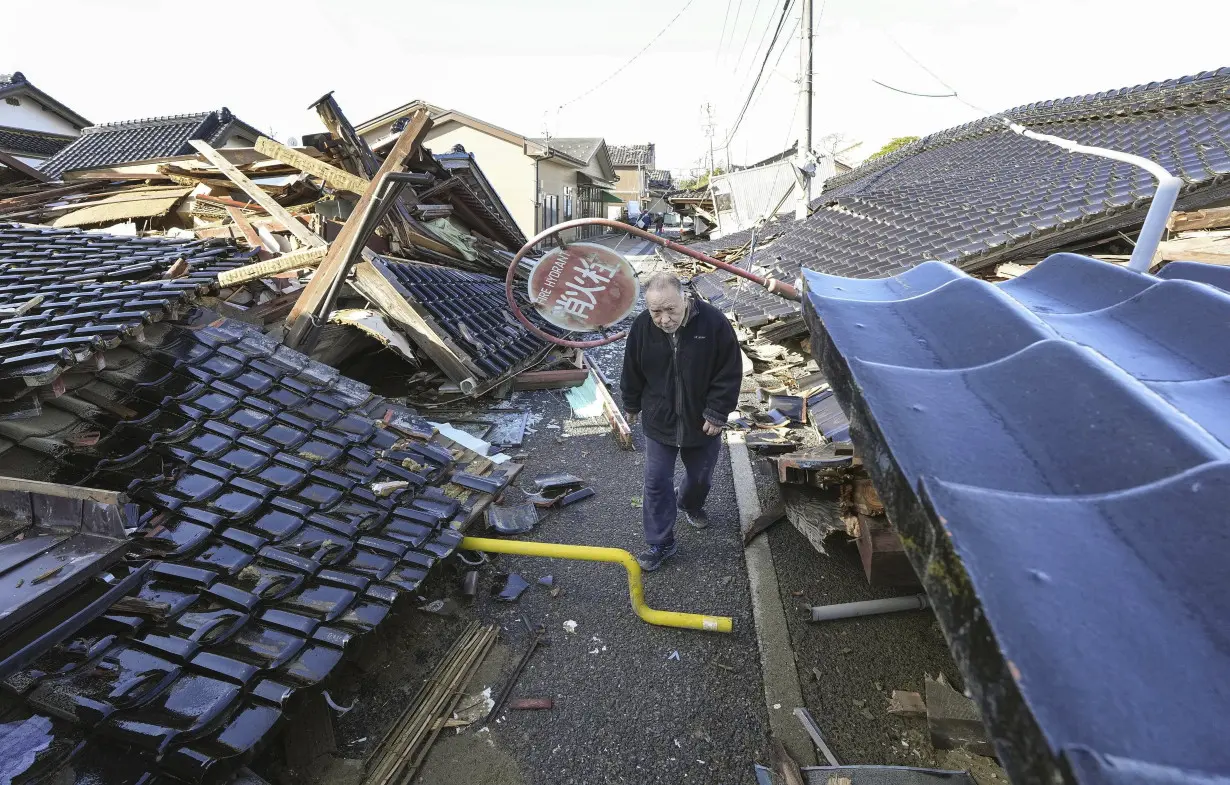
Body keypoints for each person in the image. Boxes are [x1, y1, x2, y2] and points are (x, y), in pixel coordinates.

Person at [620, 272, 742, 571]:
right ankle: (661, 541)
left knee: (700, 478)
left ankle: (690, 503)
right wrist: (631, 403)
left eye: (670, 310)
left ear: (685, 298)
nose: (663, 319)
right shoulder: (641, 327)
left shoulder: (713, 323)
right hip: (659, 419)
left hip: (701, 420)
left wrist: (717, 411)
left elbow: (729, 371)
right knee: (656, 481)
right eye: (655, 312)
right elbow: (632, 368)